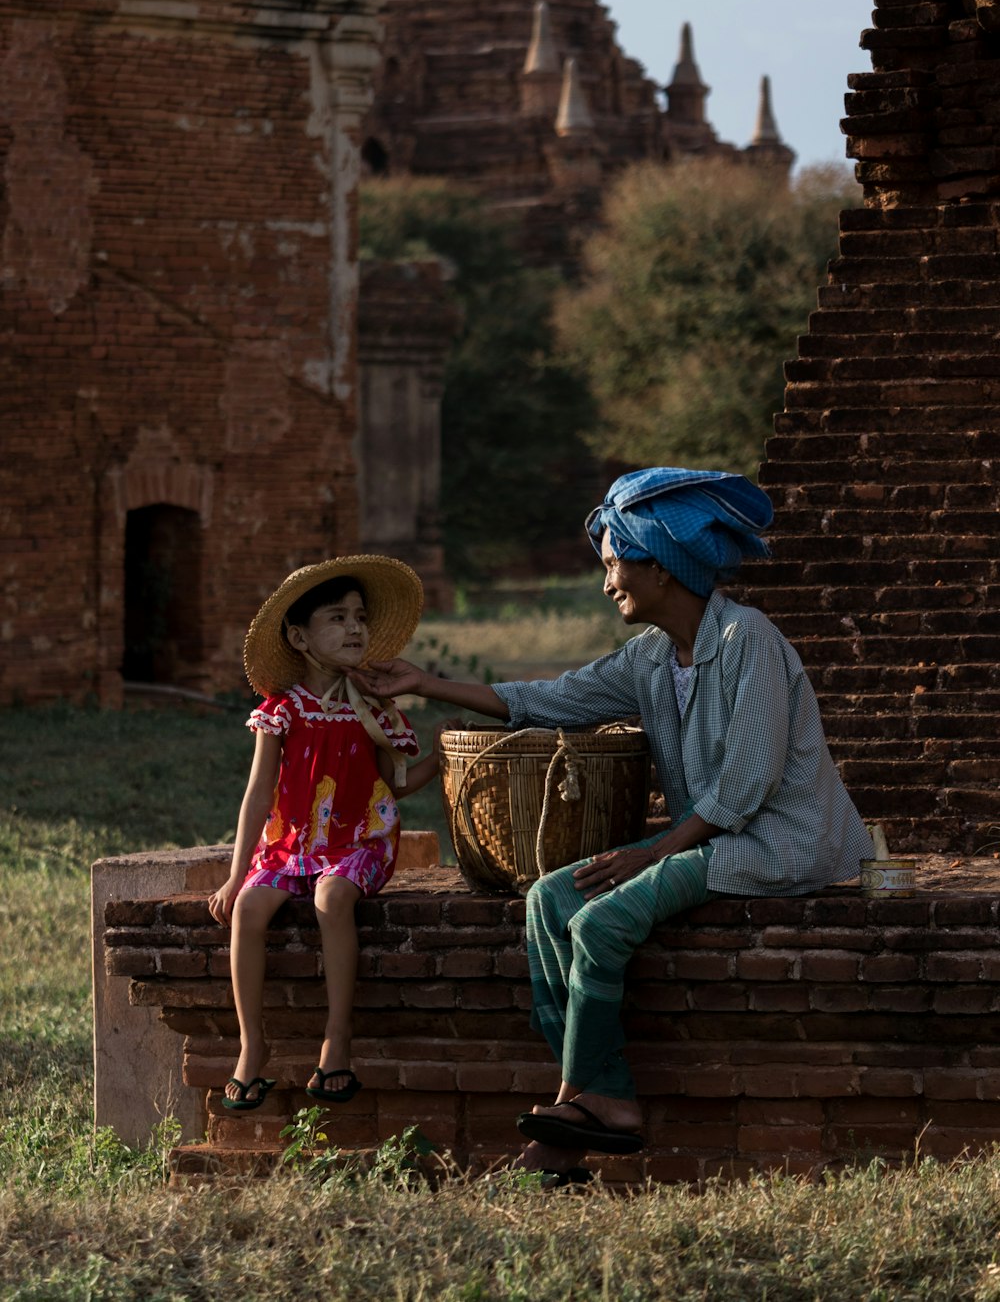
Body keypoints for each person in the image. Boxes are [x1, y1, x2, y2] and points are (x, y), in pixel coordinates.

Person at [359, 467, 872, 1177]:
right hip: (711, 836)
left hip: (780, 841)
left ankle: (580, 1100)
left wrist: (653, 854)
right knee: (549, 900)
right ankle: (600, 1100)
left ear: (659, 568)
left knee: (601, 921)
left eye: (614, 565)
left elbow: (747, 787)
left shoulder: (748, 639)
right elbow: (550, 700)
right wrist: (423, 682)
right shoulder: (652, 657)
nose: (608, 585)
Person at [208, 555, 441, 1112]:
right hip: (291, 845)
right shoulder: (281, 712)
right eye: (336, 618)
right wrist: (237, 873)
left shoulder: (375, 709)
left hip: (360, 840)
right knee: (247, 909)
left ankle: (337, 1038)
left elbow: (395, 786)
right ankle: (253, 1043)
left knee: (332, 897)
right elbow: (258, 794)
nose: (355, 628)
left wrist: (448, 755)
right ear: (299, 636)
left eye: (359, 616)